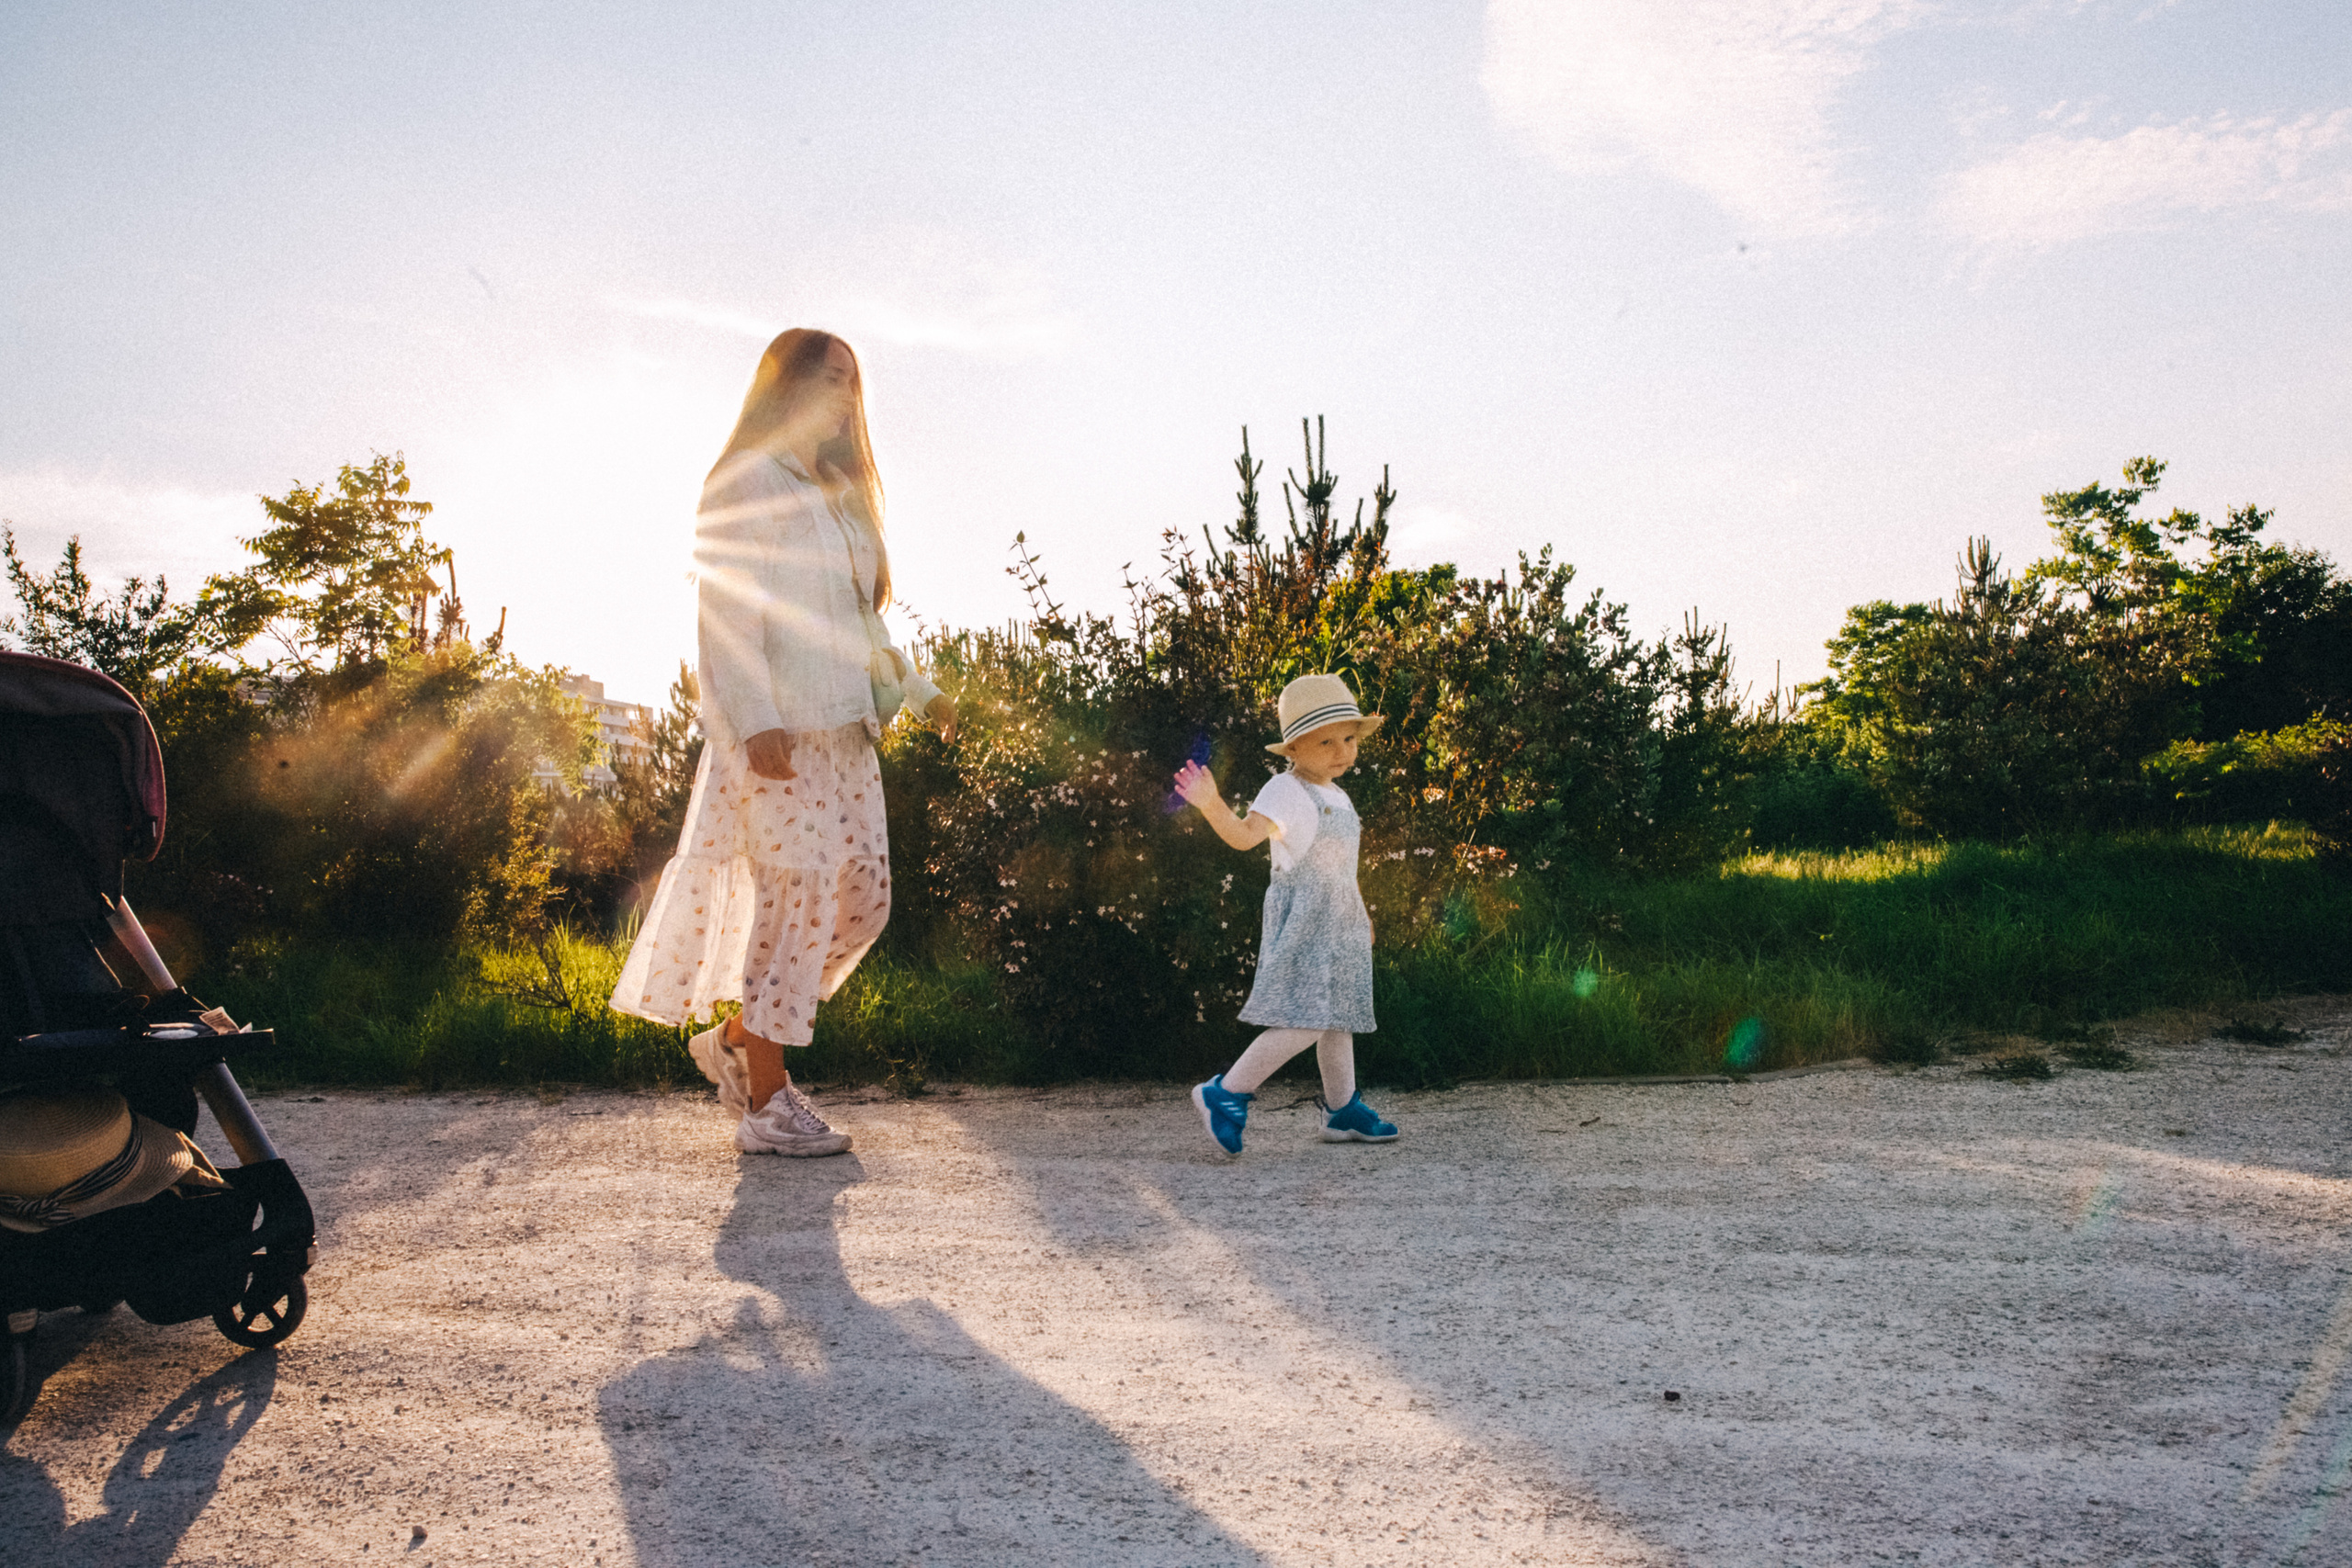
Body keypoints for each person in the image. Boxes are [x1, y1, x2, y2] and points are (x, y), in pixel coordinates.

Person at [612, 328, 955, 1156]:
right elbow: (726, 614)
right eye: (829, 378)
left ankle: (738, 1035)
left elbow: (860, 623)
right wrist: (756, 720)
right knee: (793, 908)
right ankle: (769, 1103)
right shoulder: (746, 480)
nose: (844, 395)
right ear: (785, 385)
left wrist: (923, 692)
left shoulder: (838, 495)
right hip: (778, 735)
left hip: (847, 736)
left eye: (852, 383)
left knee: (863, 901)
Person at [1172, 672, 1399, 1154]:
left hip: (1341, 923)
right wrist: (1211, 804)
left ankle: (1342, 1110)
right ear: (1293, 747)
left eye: (1349, 738)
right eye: (1326, 741)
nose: (1342, 751)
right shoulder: (1284, 790)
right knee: (1308, 1018)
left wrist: (1360, 913)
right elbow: (1242, 836)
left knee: (1340, 1016)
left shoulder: (1339, 795)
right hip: (1307, 922)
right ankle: (1226, 1093)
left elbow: (1341, 865)